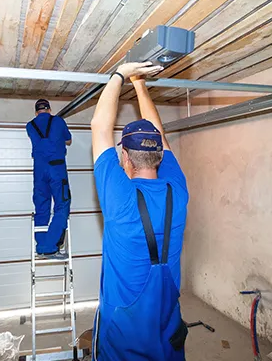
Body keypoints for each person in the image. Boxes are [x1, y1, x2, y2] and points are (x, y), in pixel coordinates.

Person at [90, 62, 190, 360]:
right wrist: (138, 84)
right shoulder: (178, 189)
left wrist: (121, 72)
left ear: (125, 157)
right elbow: (155, 133)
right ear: (160, 154)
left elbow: (98, 126)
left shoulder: (119, 197)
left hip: (124, 333)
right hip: (167, 321)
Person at [26, 99, 73, 256]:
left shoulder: (30, 126)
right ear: (49, 109)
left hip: (39, 171)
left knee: (41, 207)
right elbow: (68, 139)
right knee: (62, 204)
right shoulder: (58, 121)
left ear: (36, 111)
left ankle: (41, 246)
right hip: (56, 169)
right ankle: (51, 246)